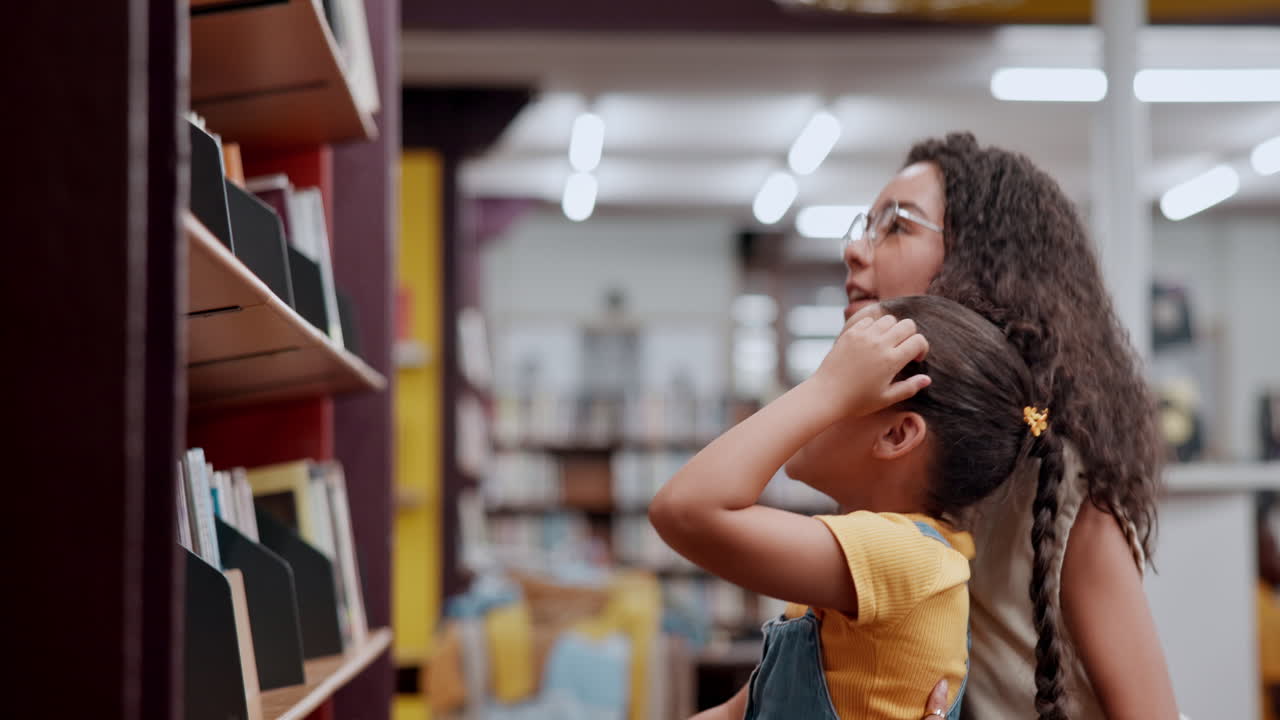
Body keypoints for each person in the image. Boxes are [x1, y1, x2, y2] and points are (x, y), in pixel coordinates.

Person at [830, 132, 1177, 719]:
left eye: (896, 226)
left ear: (979, 263)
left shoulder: (1057, 487)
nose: (856, 252)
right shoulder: (891, 461)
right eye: (864, 227)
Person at [652, 294, 1051, 719]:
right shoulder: (886, 563)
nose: (811, 391)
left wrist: (825, 391)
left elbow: (685, 510)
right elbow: (739, 714)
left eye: (841, 376)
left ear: (897, 435)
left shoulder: (905, 558)